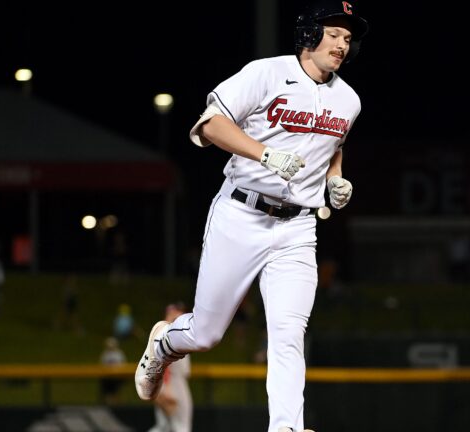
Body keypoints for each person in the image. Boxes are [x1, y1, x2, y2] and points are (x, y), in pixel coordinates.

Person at [134, 3, 369, 432]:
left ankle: (286, 428)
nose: (341, 44)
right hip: (242, 213)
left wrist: (336, 177)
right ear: (309, 33)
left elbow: (331, 141)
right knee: (206, 334)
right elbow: (209, 126)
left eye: (348, 38)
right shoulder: (265, 73)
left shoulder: (348, 100)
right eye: (333, 33)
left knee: (288, 334)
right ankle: (166, 341)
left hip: (298, 226)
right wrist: (263, 152)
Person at [150, 302, 193, 432]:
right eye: (173, 312)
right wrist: (167, 388)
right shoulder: (166, 333)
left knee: (165, 426)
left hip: (166, 383)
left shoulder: (166, 333)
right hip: (173, 384)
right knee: (181, 427)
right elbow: (163, 362)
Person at [99, 337, 127, 404]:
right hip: (107, 377)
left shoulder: (119, 354)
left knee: (115, 391)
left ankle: (116, 403)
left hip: (117, 377)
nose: (110, 347)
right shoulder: (105, 354)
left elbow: (123, 366)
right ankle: (108, 403)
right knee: (106, 392)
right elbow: (102, 366)